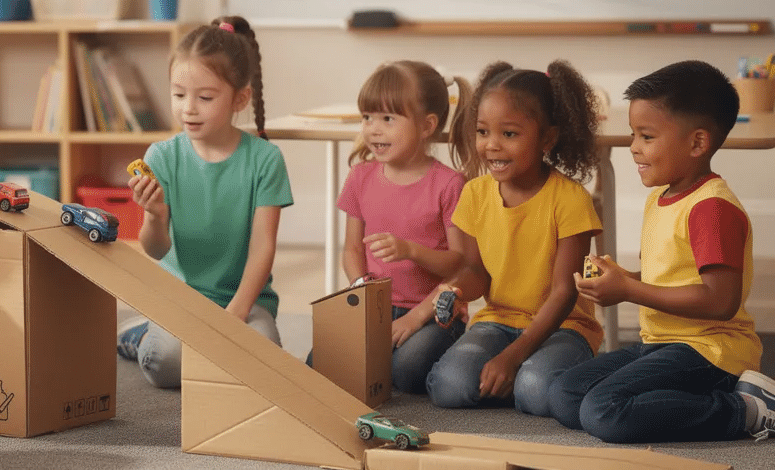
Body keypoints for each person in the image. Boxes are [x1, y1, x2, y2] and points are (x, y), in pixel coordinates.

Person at [548, 61, 772, 442]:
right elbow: (671, 280)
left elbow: (720, 301)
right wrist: (621, 279)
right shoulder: (662, 197)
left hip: (710, 350)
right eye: (633, 134)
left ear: (697, 143)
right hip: (660, 342)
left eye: (646, 136)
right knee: (565, 396)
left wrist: (628, 291)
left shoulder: (712, 209)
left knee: (602, 410)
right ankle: (683, 398)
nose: (633, 147)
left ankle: (746, 410)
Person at [118, 16, 293, 389]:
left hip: (244, 299)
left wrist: (238, 312)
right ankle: (136, 336)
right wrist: (155, 215)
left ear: (239, 99)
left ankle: (190, 342)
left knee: (266, 367)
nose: (189, 109)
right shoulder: (162, 157)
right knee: (167, 364)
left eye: (205, 97)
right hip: (180, 301)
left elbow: (263, 246)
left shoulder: (265, 159)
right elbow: (155, 249)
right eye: (179, 95)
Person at [424, 60, 603, 416]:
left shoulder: (570, 199)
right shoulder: (474, 193)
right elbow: (476, 270)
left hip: (564, 327)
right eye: (482, 131)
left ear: (547, 139)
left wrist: (512, 356)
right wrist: (458, 291)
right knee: (448, 385)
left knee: (535, 390)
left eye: (509, 134)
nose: (491, 146)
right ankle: (519, 379)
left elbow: (565, 294)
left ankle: (527, 376)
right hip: (498, 320)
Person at [315, 61, 471, 393]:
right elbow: (352, 249)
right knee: (319, 361)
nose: (373, 129)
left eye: (388, 119)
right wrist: (361, 290)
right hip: (375, 305)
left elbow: (458, 263)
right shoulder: (360, 177)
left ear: (427, 125)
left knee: (407, 371)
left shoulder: (450, 184)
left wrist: (411, 251)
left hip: (431, 310)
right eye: (367, 117)